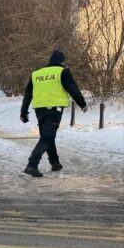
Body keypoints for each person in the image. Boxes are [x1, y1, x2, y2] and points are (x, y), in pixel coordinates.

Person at [20, 49, 87, 177]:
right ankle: (32, 165)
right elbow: (73, 88)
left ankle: (55, 163)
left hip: (39, 110)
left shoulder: (36, 74)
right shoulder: (62, 71)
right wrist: (82, 104)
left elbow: (28, 94)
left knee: (47, 136)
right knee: (47, 137)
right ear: (61, 61)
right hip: (54, 109)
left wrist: (23, 111)